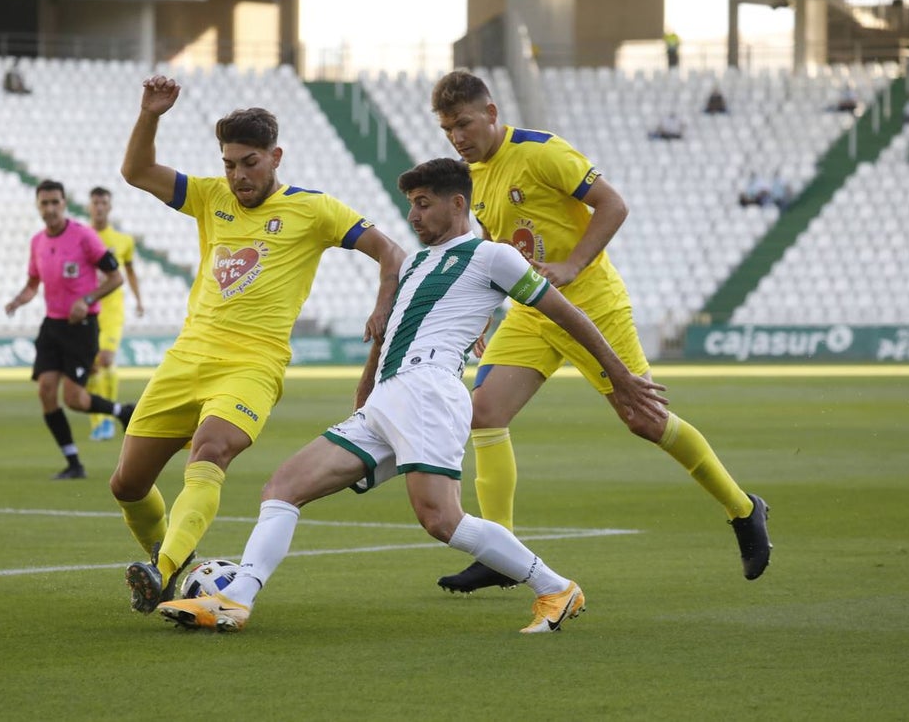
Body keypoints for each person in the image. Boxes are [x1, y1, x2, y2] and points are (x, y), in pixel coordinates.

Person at [155, 158, 670, 634]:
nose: (413, 214)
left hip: (429, 393)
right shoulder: (417, 263)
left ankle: (556, 589)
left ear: (458, 204)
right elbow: (391, 332)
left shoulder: (493, 256)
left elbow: (567, 313)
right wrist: (364, 390)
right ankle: (236, 600)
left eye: (423, 203)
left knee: (441, 520)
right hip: (386, 400)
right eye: (410, 204)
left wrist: (621, 377)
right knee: (281, 487)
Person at [427, 69, 771, 594]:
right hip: (531, 311)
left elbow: (614, 204)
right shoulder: (473, 176)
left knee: (645, 420)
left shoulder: (542, 152)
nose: (457, 136)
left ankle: (743, 508)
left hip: (592, 305)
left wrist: (573, 264)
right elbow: (496, 245)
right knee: (485, 413)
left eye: (464, 123)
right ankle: (502, 552)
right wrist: (486, 314)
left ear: (492, 113)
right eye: (448, 127)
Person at [114, 75, 406, 615]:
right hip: (186, 357)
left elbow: (390, 251)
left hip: (253, 363)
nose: (237, 175)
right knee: (127, 485)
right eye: (229, 163)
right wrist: (150, 113)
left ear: (276, 156)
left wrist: (382, 306)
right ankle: (172, 555)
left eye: (249, 162)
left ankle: (163, 569)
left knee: (211, 451)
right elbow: (135, 172)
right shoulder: (208, 196)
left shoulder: (314, 210)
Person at [4, 179, 139, 480]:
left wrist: (88, 299)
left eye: (55, 202)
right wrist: (18, 300)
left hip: (82, 327)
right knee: (46, 391)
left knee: (75, 400)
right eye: (44, 203)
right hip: (52, 325)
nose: (50, 208)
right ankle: (73, 462)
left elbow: (115, 278)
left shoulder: (84, 237)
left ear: (64, 203)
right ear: (38, 206)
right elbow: (32, 285)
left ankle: (123, 412)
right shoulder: (38, 241)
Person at [84, 186, 145, 442]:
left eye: (103, 203)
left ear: (109, 207)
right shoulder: (81, 236)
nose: (99, 207)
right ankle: (98, 420)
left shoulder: (123, 240)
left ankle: (108, 419)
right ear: (90, 206)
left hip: (111, 310)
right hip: (86, 309)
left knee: (106, 359)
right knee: (90, 368)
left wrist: (139, 299)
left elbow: (129, 271)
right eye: (95, 203)